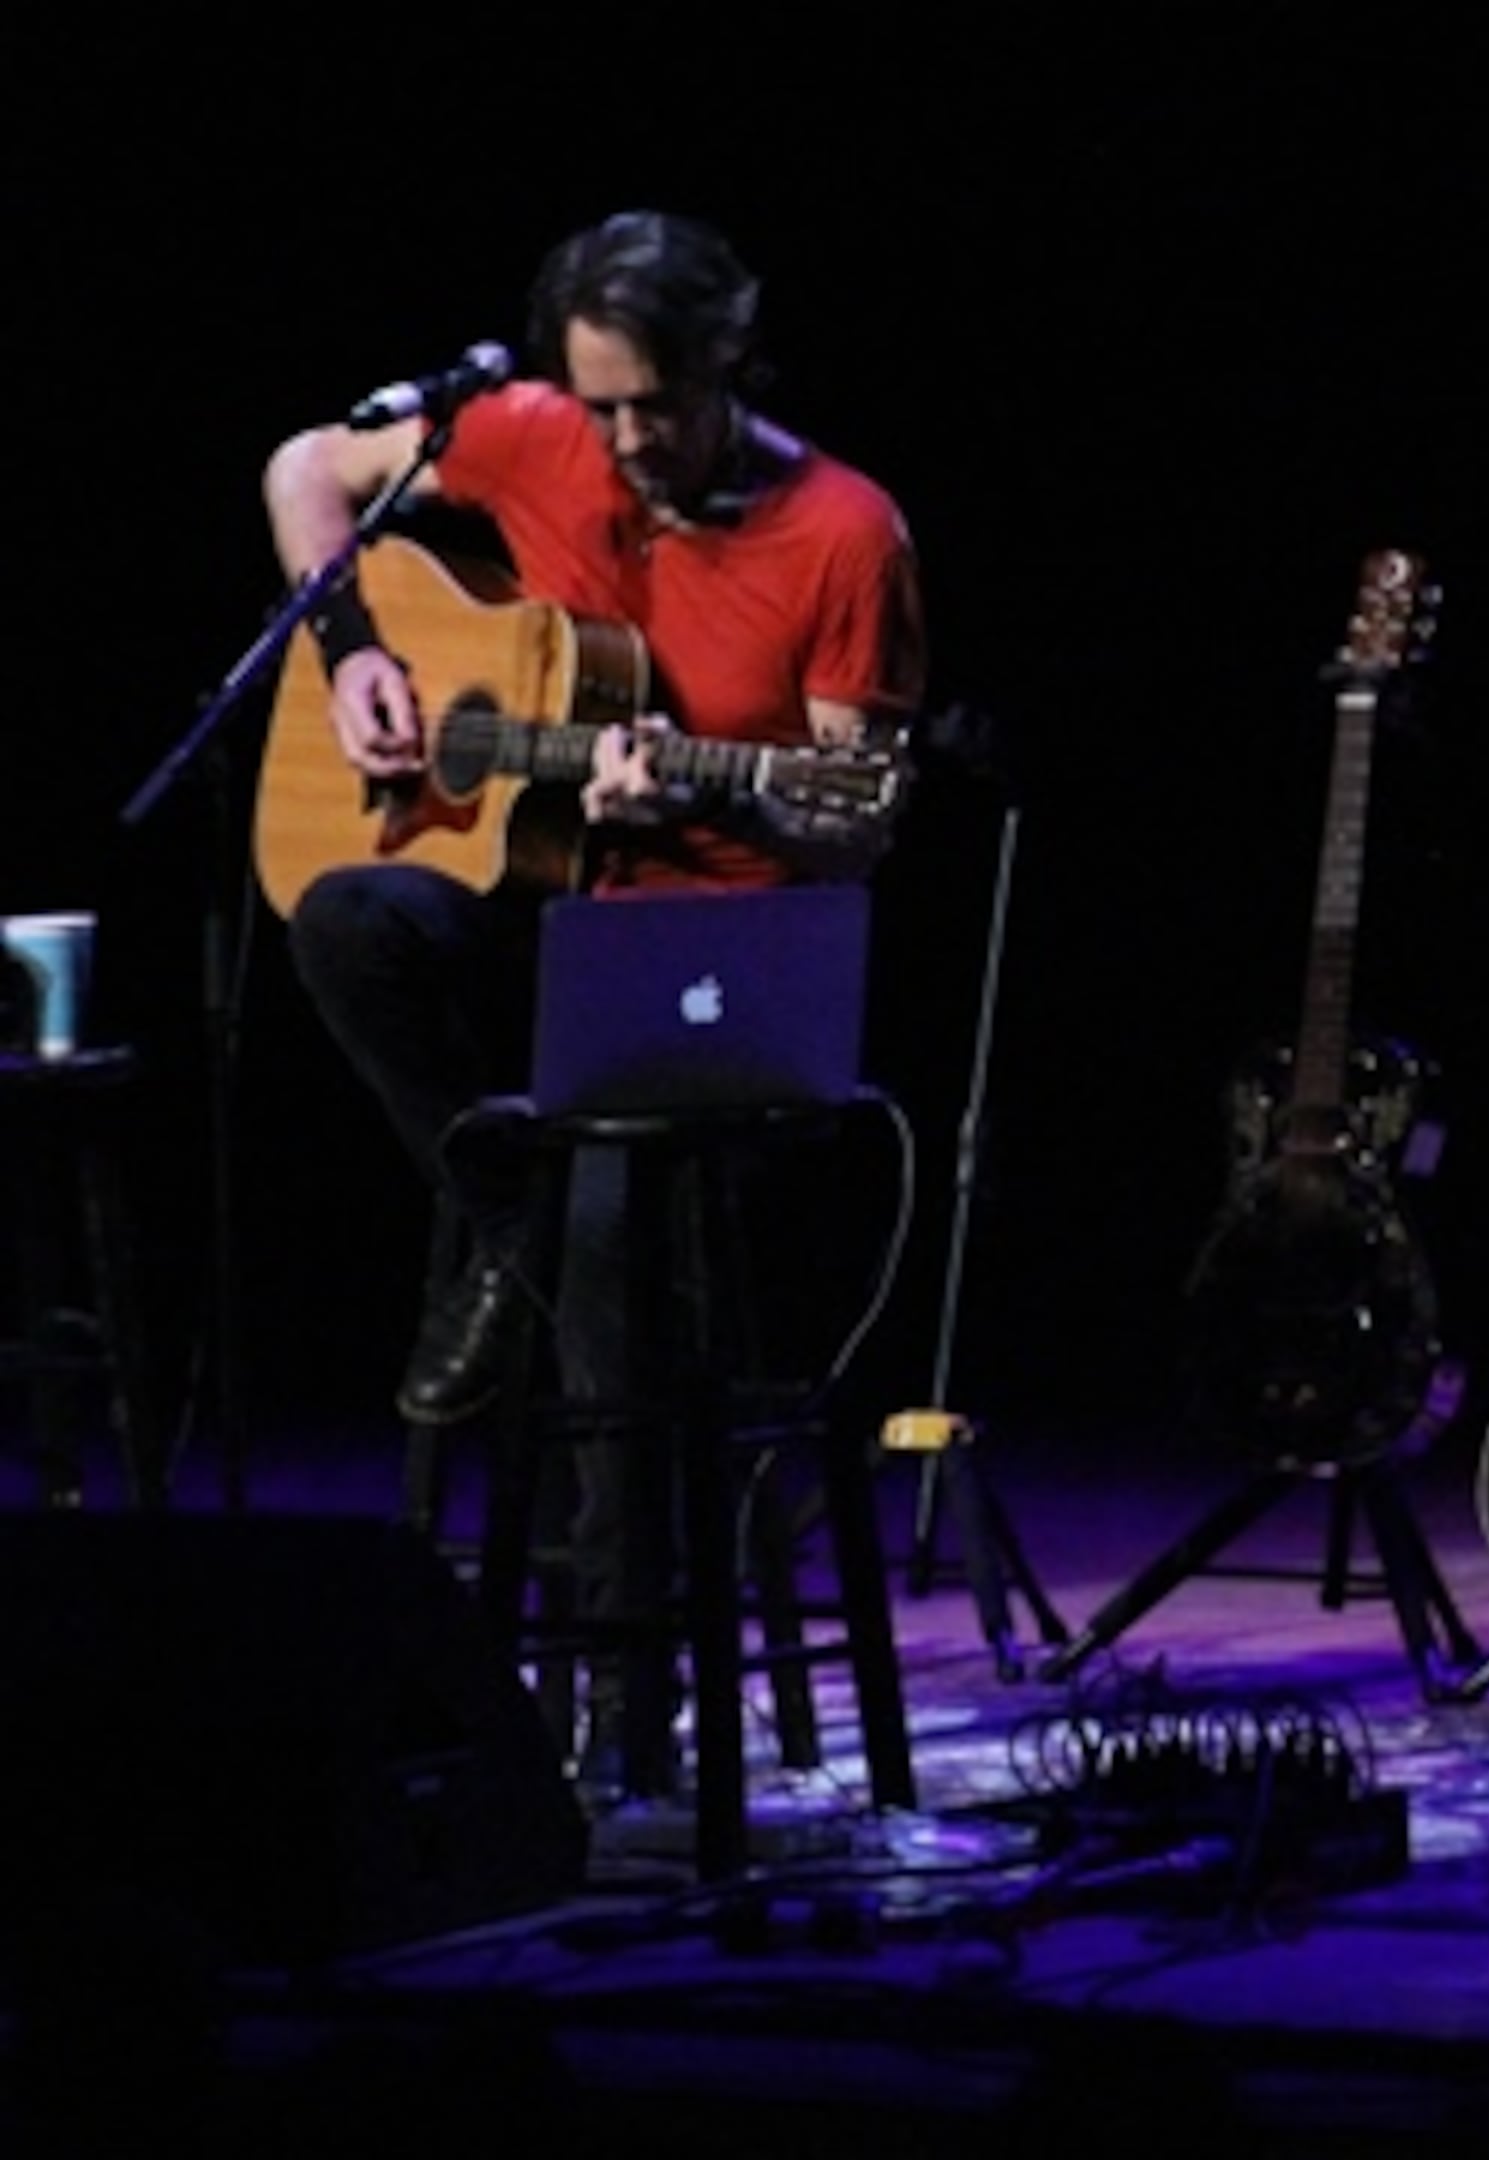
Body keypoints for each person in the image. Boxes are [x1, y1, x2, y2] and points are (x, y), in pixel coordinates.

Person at [265, 208, 926, 1788]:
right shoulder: (532, 432)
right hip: (553, 918)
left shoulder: (846, 532)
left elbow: (862, 812)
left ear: (730, 367)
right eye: (604, 404)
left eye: (661, 407)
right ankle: (498, 1208)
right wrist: (352, 645)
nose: (628, 442)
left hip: (724, 968)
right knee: (353, 912)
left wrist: (715, 800)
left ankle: (622, 1726)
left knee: (611, 1226)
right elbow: (306, 466)